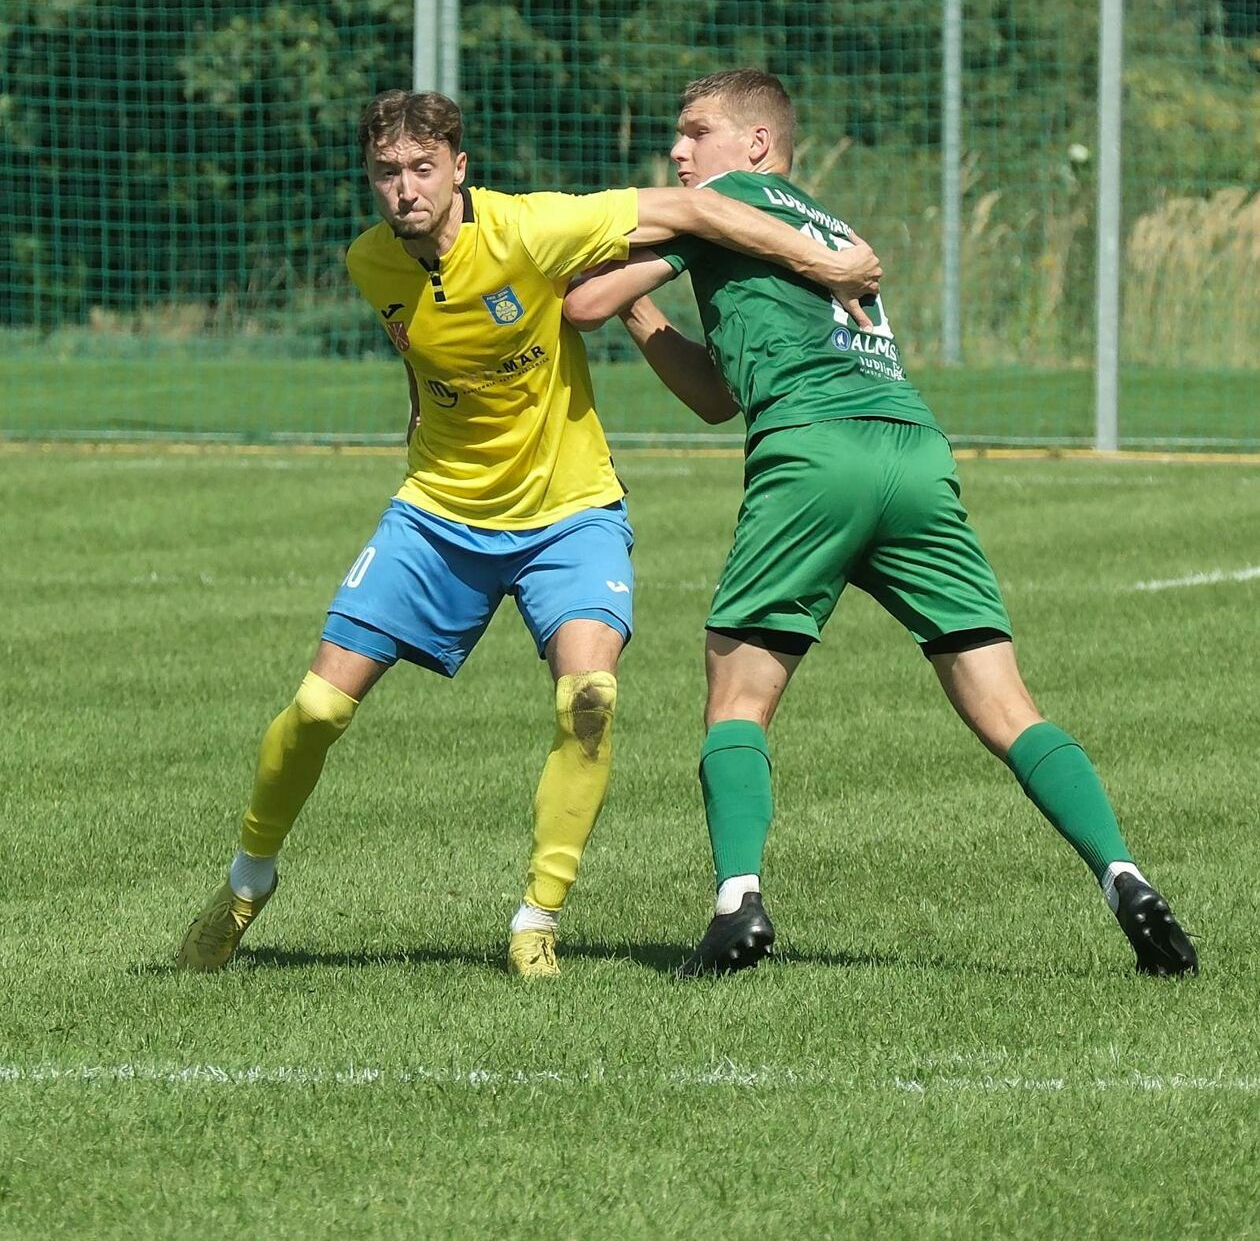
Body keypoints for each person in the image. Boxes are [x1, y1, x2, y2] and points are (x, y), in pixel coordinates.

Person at [177, 88, 882, 979]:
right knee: (317, 708)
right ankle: (246, 884)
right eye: (387, 173)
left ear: (459, 169)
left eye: (423, 169)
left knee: (588, 700)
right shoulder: (371, 264)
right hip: (437, 514)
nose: (406, 190)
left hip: (570, 513)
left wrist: (830, 262)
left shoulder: (532, 230)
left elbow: (698, 206)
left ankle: (536, 920)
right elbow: (428, 362)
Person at [563, 68, 1198, 979]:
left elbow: (579, 302)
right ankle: (1123, 874)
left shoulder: (726, 201)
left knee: (738, 698)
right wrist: (646, 307)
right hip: (914, 452)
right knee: (1006, 704)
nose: (677, 150)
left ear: (753, 145)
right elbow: (713, 396)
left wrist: (595, 281)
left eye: (694, 131)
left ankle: (737, 900)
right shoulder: (829, 227)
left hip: (816, 454)